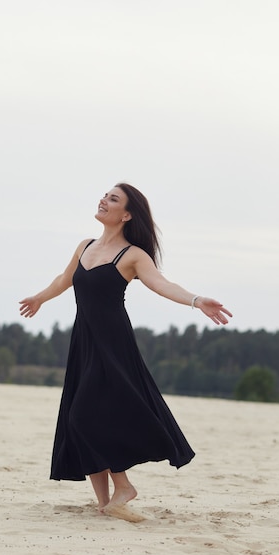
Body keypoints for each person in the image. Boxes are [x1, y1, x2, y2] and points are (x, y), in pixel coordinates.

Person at [19, 183, 232, 522]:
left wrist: (196, 300)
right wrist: (40, 298)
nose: (104, 200)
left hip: (113, 344)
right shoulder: (85, 246)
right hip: (84, 341)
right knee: (79, 417)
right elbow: (65, 278)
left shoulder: (132, 255)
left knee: (82, 416)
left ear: (127, 214)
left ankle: (125, 486)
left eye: (113, 199)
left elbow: (162, 285)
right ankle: (106, 502)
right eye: (105, 195)